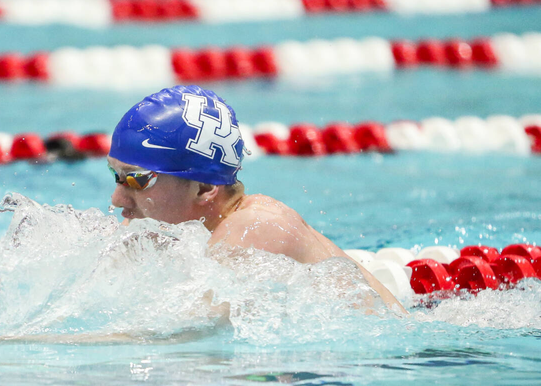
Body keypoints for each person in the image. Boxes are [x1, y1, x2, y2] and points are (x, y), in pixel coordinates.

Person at [107, 85, 406, 314]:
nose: (118, 198)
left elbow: (181, 334)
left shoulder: (256, 228)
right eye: (116, 175)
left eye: (137, 180)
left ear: (204, 188)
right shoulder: (173, 230)